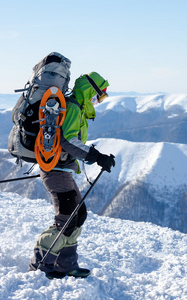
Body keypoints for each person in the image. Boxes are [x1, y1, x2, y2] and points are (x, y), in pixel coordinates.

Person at [28, 71, 115, 279]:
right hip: (55, 171)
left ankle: (65, 265)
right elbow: (67, 140)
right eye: (98, 96)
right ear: (89, 91)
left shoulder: (76, 108)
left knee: (78, 216)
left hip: (62, 170)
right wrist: (97, 156)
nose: (98, 101)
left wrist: (95, 156)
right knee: (66, 219)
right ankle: (40, 265)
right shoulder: (74, 108)